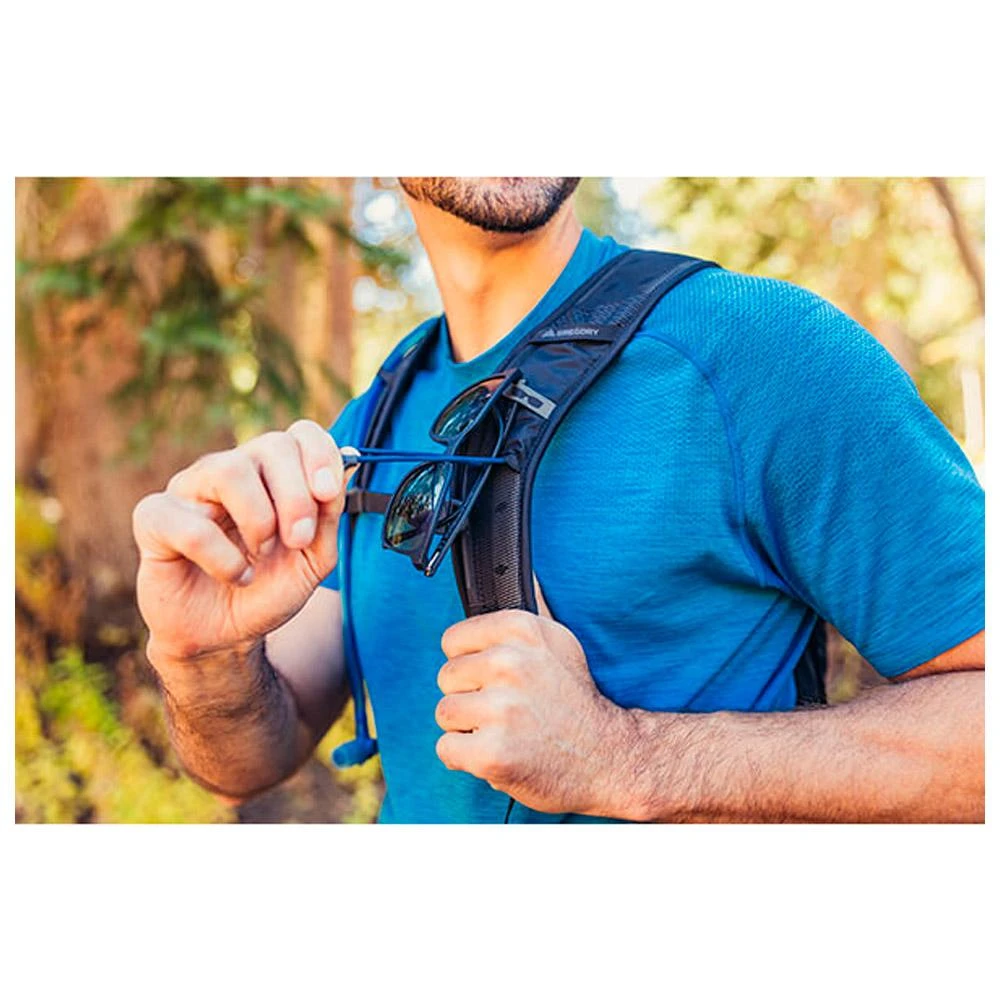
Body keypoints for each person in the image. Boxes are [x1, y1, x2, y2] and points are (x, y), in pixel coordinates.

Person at [132, 177, 985, 823]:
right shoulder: (374, 418)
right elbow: (252, 759)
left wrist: (629, 759)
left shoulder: (761, 350)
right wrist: (201, 654)